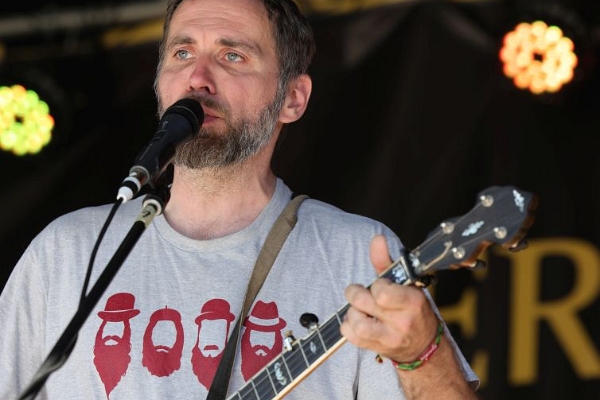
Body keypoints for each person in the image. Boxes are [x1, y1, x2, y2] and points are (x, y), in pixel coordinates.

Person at [0, 0, 479, 399]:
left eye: (232, 56)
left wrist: (423, 353)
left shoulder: (357, 255)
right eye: (182, 52)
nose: (198, 77)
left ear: (293, 98)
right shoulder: (65, 252)